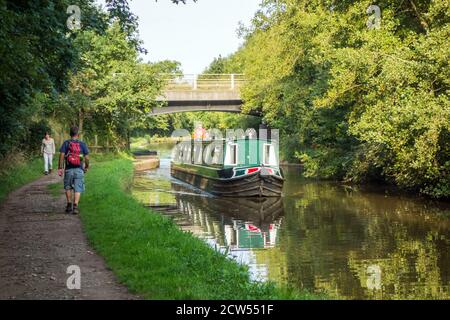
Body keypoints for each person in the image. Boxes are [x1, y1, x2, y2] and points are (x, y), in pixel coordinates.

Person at [58, 126, 90, 215]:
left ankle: (69, 205)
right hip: (79, 169)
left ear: (70, 134)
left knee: (68, 187)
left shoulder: (66, 143)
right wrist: (86, 166)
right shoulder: (82, 144)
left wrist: (60, 167)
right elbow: (87, 158)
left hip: (68, 169)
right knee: (78, 188)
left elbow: (61, 155)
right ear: (78, 135)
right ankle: (75, 206)